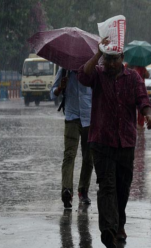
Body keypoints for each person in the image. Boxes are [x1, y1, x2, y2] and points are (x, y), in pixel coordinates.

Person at [78, 37, 151, 248]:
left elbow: (143, 100)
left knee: (122, 187)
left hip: (126, 142)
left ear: (122, 58)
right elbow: (83, 75)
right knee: (107, 186)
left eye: (115, 59)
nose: (111, 64)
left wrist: (147, 115)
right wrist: (97, 54)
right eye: (108, 59)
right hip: (101, 141)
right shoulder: (98, 75)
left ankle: (120, 222)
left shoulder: (133, 78)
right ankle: (108, 230)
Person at [50, 67, 93, 208]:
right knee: (69, 155)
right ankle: (66, 191)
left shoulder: (92, 70)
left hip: (89, 119)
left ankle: (83, 191)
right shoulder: (64, 71)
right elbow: (52, 94)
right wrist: (60, 87)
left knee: (88, 157)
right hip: (71, 117)